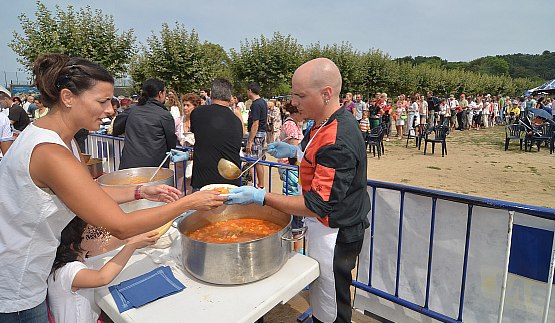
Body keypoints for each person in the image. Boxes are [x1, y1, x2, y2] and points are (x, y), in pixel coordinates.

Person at [0, 53, 227, 321]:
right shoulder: (49, 152)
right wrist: (189, 203)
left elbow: (86, 192)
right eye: (102, 101)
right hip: (18, 284)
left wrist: (140, 191)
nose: (111, 110)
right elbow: (121, 226)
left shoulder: (61, 140)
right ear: (68, 97)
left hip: (30, 270)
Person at [226, 58, 371, 323]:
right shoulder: (322, 122)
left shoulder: (338, 137)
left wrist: (262, 197)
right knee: (321, 295)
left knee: (331, 304)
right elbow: (319, 161)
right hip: (324, 225)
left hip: (336, 232)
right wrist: (296, 153)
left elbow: (316, 204)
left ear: (326, 94)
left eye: (301, 95)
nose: (294, 102)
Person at [47, 217, 157, 323]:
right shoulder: (69, 270)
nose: (100, 236)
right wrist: (132, 246)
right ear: (73, 246)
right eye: (93, 234)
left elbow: (105, 246)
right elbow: (102, 277)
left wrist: (130, 237)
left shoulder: (66, 258)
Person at [190, 78, 244, 190]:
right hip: (229, 183)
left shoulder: (197, 113)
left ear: (211, 94)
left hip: (203, 181)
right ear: (230, 97)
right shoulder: (236, 121)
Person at [113, 78, 177, 169]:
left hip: (130, 166)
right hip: (154, 168)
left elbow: (116, 128)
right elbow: (171, 143)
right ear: (160, 94)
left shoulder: (131, 110)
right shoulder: (164, 115)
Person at [245, 82, 268, 189]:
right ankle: (259, 184)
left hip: (257, 135)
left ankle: (259, 185)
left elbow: (255, 123)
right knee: (258, 160)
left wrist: (250, 141)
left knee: (255, 161)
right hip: (261, 133)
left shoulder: (256, 104)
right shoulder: (262, 102)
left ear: (250, 90)